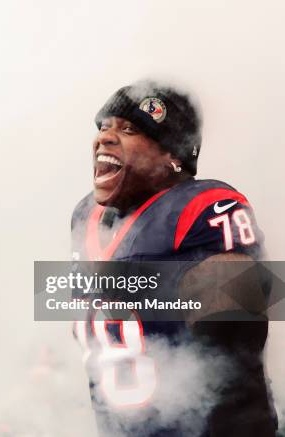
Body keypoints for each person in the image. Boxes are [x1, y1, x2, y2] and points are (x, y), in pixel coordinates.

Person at [71, 80, 277, 436]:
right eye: (103, 126)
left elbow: (241, 315)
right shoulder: (84, 217)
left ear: (174, 156)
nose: (104, 137)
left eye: (130, 129)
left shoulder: (206, 205)